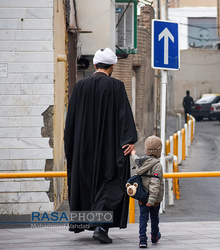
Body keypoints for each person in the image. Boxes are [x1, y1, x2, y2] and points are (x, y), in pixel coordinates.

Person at [64, 48, 138, 244]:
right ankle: (101, 226)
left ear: (96, 65)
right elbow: (124, 117)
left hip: (83, 149)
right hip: (109, 149)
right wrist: (129, 141)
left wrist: (71, 147)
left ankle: (94, 224)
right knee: (111, 184)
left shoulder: (80, 87)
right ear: (112, 66)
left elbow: (70, 121)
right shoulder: (116, 86)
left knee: (87, 184)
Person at [130, 135, 164, 248]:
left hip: (142, 196)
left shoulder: (141, 162)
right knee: (154, 218)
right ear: (159, 151)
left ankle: (142, 240)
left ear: (146, 150)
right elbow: (155, 184)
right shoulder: (157, 166)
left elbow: (135, 161)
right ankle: (154, 236)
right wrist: (152, 199)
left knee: (143, 218)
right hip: (153, 199)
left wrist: (133, 153)